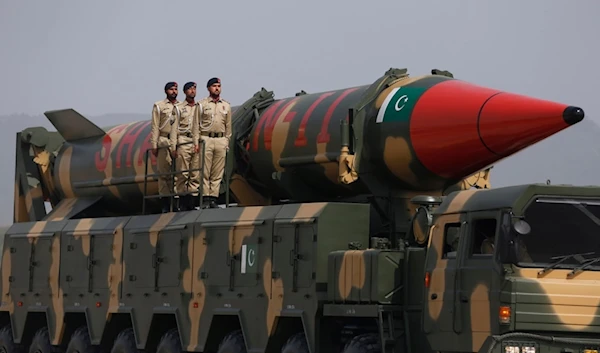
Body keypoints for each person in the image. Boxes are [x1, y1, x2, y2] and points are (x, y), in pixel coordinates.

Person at [196, 77, 232, 208]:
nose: (217, 88)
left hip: (220, 139)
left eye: (219, 86)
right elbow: (196, 125)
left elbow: (228, 126)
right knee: (205, 170)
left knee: (217, 171)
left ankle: (213, 198)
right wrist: (197, 141)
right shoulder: (202, 105)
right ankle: (205, 198)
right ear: (208, 88)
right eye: (214, 86)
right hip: (206, 139)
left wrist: (226, 140)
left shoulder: (226, 105)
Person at [150, 81, 179, 213]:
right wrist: (154, 144)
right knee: (164, 173)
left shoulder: (181, 106)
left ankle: (176, 202)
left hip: (178, 141)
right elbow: (155, 126)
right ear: (166, 91)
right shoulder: (159, 106)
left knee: (178, 174)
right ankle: (166, 203)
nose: (174, 91)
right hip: (164, 140)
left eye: (176, 89)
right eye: (171, 89)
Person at [171, 82, 200, 211]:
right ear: (185, 92)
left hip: (195, 140)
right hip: (183, 139)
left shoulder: (200, 107)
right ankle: (182, 202)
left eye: (194, 89)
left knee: (194, 173)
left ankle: (191, 202)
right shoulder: (178, 108)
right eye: (190, 89)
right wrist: (173, 146)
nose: (192, 91)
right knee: (183, 173)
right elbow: (173, 129)